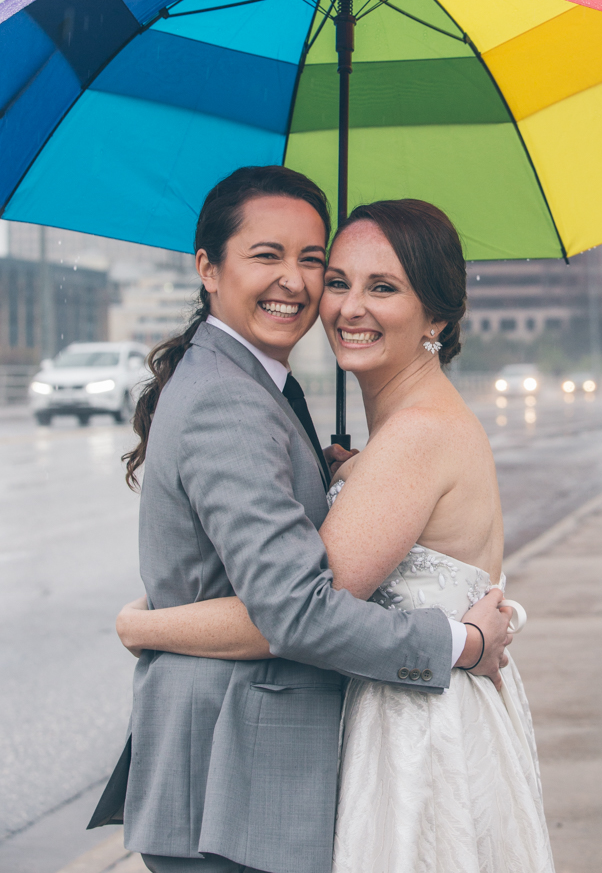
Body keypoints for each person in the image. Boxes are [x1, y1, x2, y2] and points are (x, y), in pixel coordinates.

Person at [118, 195, 555, 873]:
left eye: (383, 287)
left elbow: (294, 613)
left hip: (413, 738)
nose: (348, 306)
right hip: (396, 725)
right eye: (341, 280)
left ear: (436, 313)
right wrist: (346, 484)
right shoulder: (400, 429)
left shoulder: (414, 436)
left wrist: (146, 626)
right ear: (208, 268)